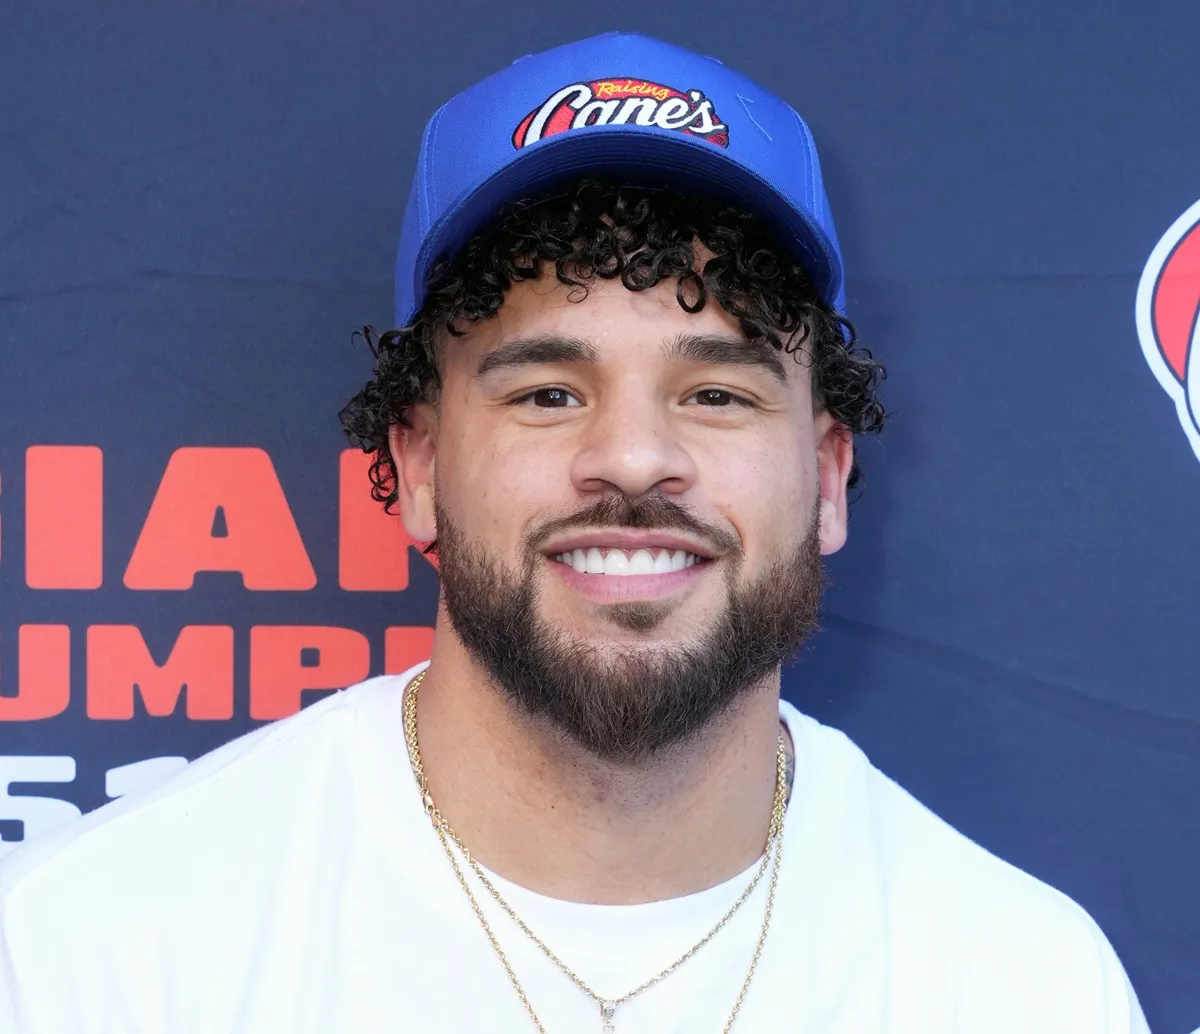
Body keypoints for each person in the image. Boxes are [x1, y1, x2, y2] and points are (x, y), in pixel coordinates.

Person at [0, 31, 1149, 1034]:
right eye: (548, 390)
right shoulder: (88, 954)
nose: (637, 457)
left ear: (831, 474)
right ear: (415, 465)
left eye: (719, 393)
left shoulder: (1023, 984)